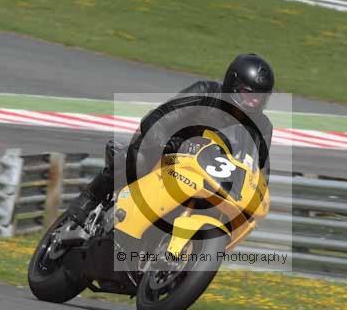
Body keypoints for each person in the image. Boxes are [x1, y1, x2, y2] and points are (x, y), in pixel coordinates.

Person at [68, 53, 275, 225]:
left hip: (211, 178)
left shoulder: (263, 127)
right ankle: (90, 197)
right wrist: (165, 143)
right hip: (169, 153)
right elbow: (158, 117)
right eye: (248, 95)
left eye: (259, 98)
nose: (253, 103)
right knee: (140, 156)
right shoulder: (206, 93)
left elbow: (260, 172)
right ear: (232, 85)